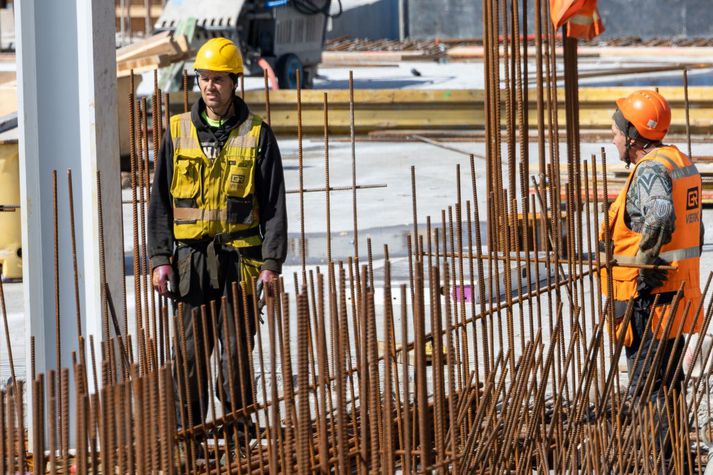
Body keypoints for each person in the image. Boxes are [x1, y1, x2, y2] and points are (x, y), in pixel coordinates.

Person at [148, 37, 287, 464]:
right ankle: (188, 443)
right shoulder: (176, 132)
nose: (210, 87)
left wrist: (271, 264)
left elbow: (276, 205)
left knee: (235, 359)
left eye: (218, 79)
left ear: (234, 82)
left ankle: (238, 441)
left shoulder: (258, 135)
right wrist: (158, 259)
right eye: (204, 78)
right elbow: (158, 204)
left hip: (239, 263)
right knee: (188, 358)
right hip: (191, 264)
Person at [600, 89, 703, 467]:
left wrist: (645, 266)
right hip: (676, 294)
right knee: (670, 386)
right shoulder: (681, 163)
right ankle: (675, 463)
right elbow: (697, 228)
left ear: (633, 135)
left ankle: (660, 465)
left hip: (648, 301)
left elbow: (660, 216)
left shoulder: (652, 170)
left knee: (648, 391)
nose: (612, 139)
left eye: (615, 132)